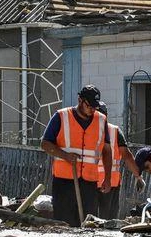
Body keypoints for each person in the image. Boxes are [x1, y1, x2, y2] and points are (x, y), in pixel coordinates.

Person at [39, 85, 112, 226]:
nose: (92, 109)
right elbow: (45, 144)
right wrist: (65, 155)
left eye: (94, 106)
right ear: (80, 100)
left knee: (89, 223)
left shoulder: (101, 120)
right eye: (89, 105)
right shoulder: (61, 116)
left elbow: (107, 150)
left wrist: (107, 178)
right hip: (64, 181)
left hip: (89, 182)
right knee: (64, 221)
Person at [95, 102, 144, 220]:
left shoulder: (86, 130)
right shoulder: (114, 131)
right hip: (110, 183)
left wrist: (138, 177)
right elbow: (126, 156)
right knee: (108, 219)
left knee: (92, 218)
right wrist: (138, 177)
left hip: (91, 181)